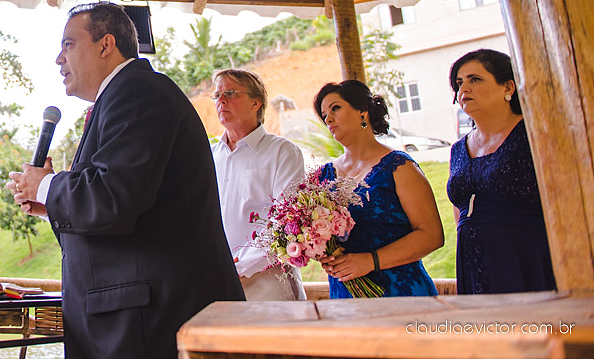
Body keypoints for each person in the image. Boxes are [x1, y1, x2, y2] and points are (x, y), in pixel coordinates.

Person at [10, 2, 243, 359]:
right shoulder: (121, 97)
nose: (59, 58)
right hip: (137, 316)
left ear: (106, 45)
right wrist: (49, 203)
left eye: (69, 44)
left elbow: (113, 198)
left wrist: (48, 185)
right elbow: (124, 205)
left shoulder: (138, 92)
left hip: (153, 319)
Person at [314, 80, 443, 298]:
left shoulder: (399, 167)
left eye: (335, 107)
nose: (328, 118)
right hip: (345, 292)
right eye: (324, 114)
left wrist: (371, 261)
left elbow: (432, 235)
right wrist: (322, 253)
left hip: (399, 290)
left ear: (362, 112)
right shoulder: (322, 176)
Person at [446, 48, 554, 294]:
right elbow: (460, 208)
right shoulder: (457, 150)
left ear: (508, 87)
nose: (464, 89)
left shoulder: (534, 135)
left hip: (526, 254)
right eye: (459, 82)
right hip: (472, 258)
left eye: (475, 79)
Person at [209, 69, 306, 301]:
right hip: (217, 281)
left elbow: (287, 221)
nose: (221, 100)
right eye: (217, 95)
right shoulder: (208, 155)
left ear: (256, 103)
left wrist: (241, 265)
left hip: (269, 284)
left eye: (230, 93)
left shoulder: (282, 152)